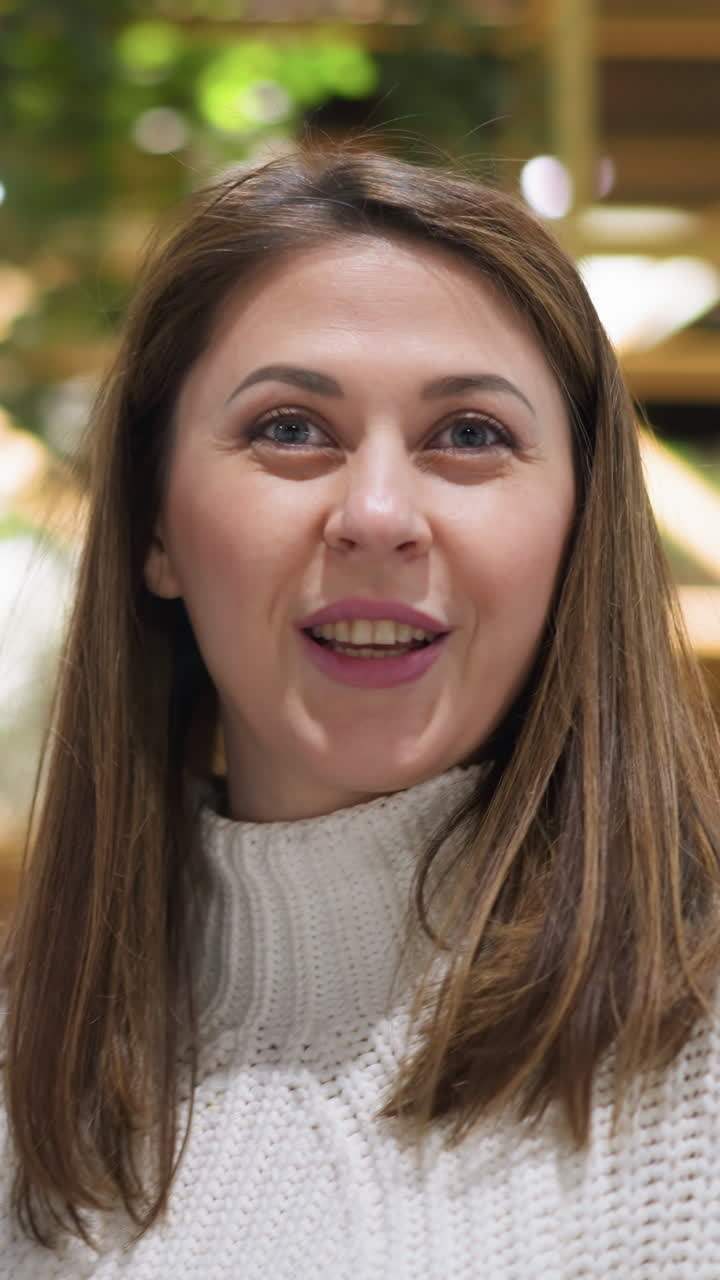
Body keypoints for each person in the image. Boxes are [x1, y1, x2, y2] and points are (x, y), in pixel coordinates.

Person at [2, 146, 720, 1279]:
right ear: (153, 523)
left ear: (581, 529)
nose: (378, 514)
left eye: (470, 434)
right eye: (290, 428)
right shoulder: (30, 1078)